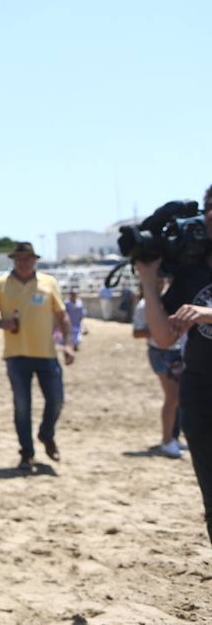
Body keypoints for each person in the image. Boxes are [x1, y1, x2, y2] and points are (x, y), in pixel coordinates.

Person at [135, 184, 212, 543]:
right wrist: (148, 280)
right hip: (201, 392)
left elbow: (201, 315)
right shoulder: (192, 271)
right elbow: (164, 337)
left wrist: (208, 314)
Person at [0, 241, 75, 473]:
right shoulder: (1, 284)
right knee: (22, 407)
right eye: (19, 259)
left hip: (47, 353)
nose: (23, 263)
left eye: (28, 259)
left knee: (56, 400)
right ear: (14, 260)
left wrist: (68, 343)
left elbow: (62, 315)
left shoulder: (48, 283)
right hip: (16, 356)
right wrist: (4, 323)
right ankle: (27, 453)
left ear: (35, 260)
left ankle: (46, 434)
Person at [132, 283, 184, 459]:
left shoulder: (170, 300)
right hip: (161, 352)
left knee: (178, 397)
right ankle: (167, 440)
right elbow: (137, 332)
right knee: (173, 397)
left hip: (176, 351)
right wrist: (160, 329)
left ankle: (172, 436)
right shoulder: (145, 305)